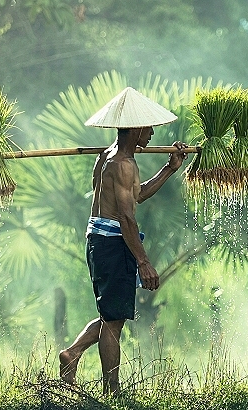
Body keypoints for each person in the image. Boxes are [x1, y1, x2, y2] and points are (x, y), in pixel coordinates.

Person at [58, 87, 188, 395]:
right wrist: (144, 262)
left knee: (109, 315)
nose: (153, 132)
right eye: (148, 126)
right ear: (134, 128)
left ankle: (72, 354)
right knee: (114, 322)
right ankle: (112, 392)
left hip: (99, 240)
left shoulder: (108, 157)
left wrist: (170, 168)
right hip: (113, 243)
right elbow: (127, 218)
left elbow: (137, 194)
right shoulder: (123, 164)